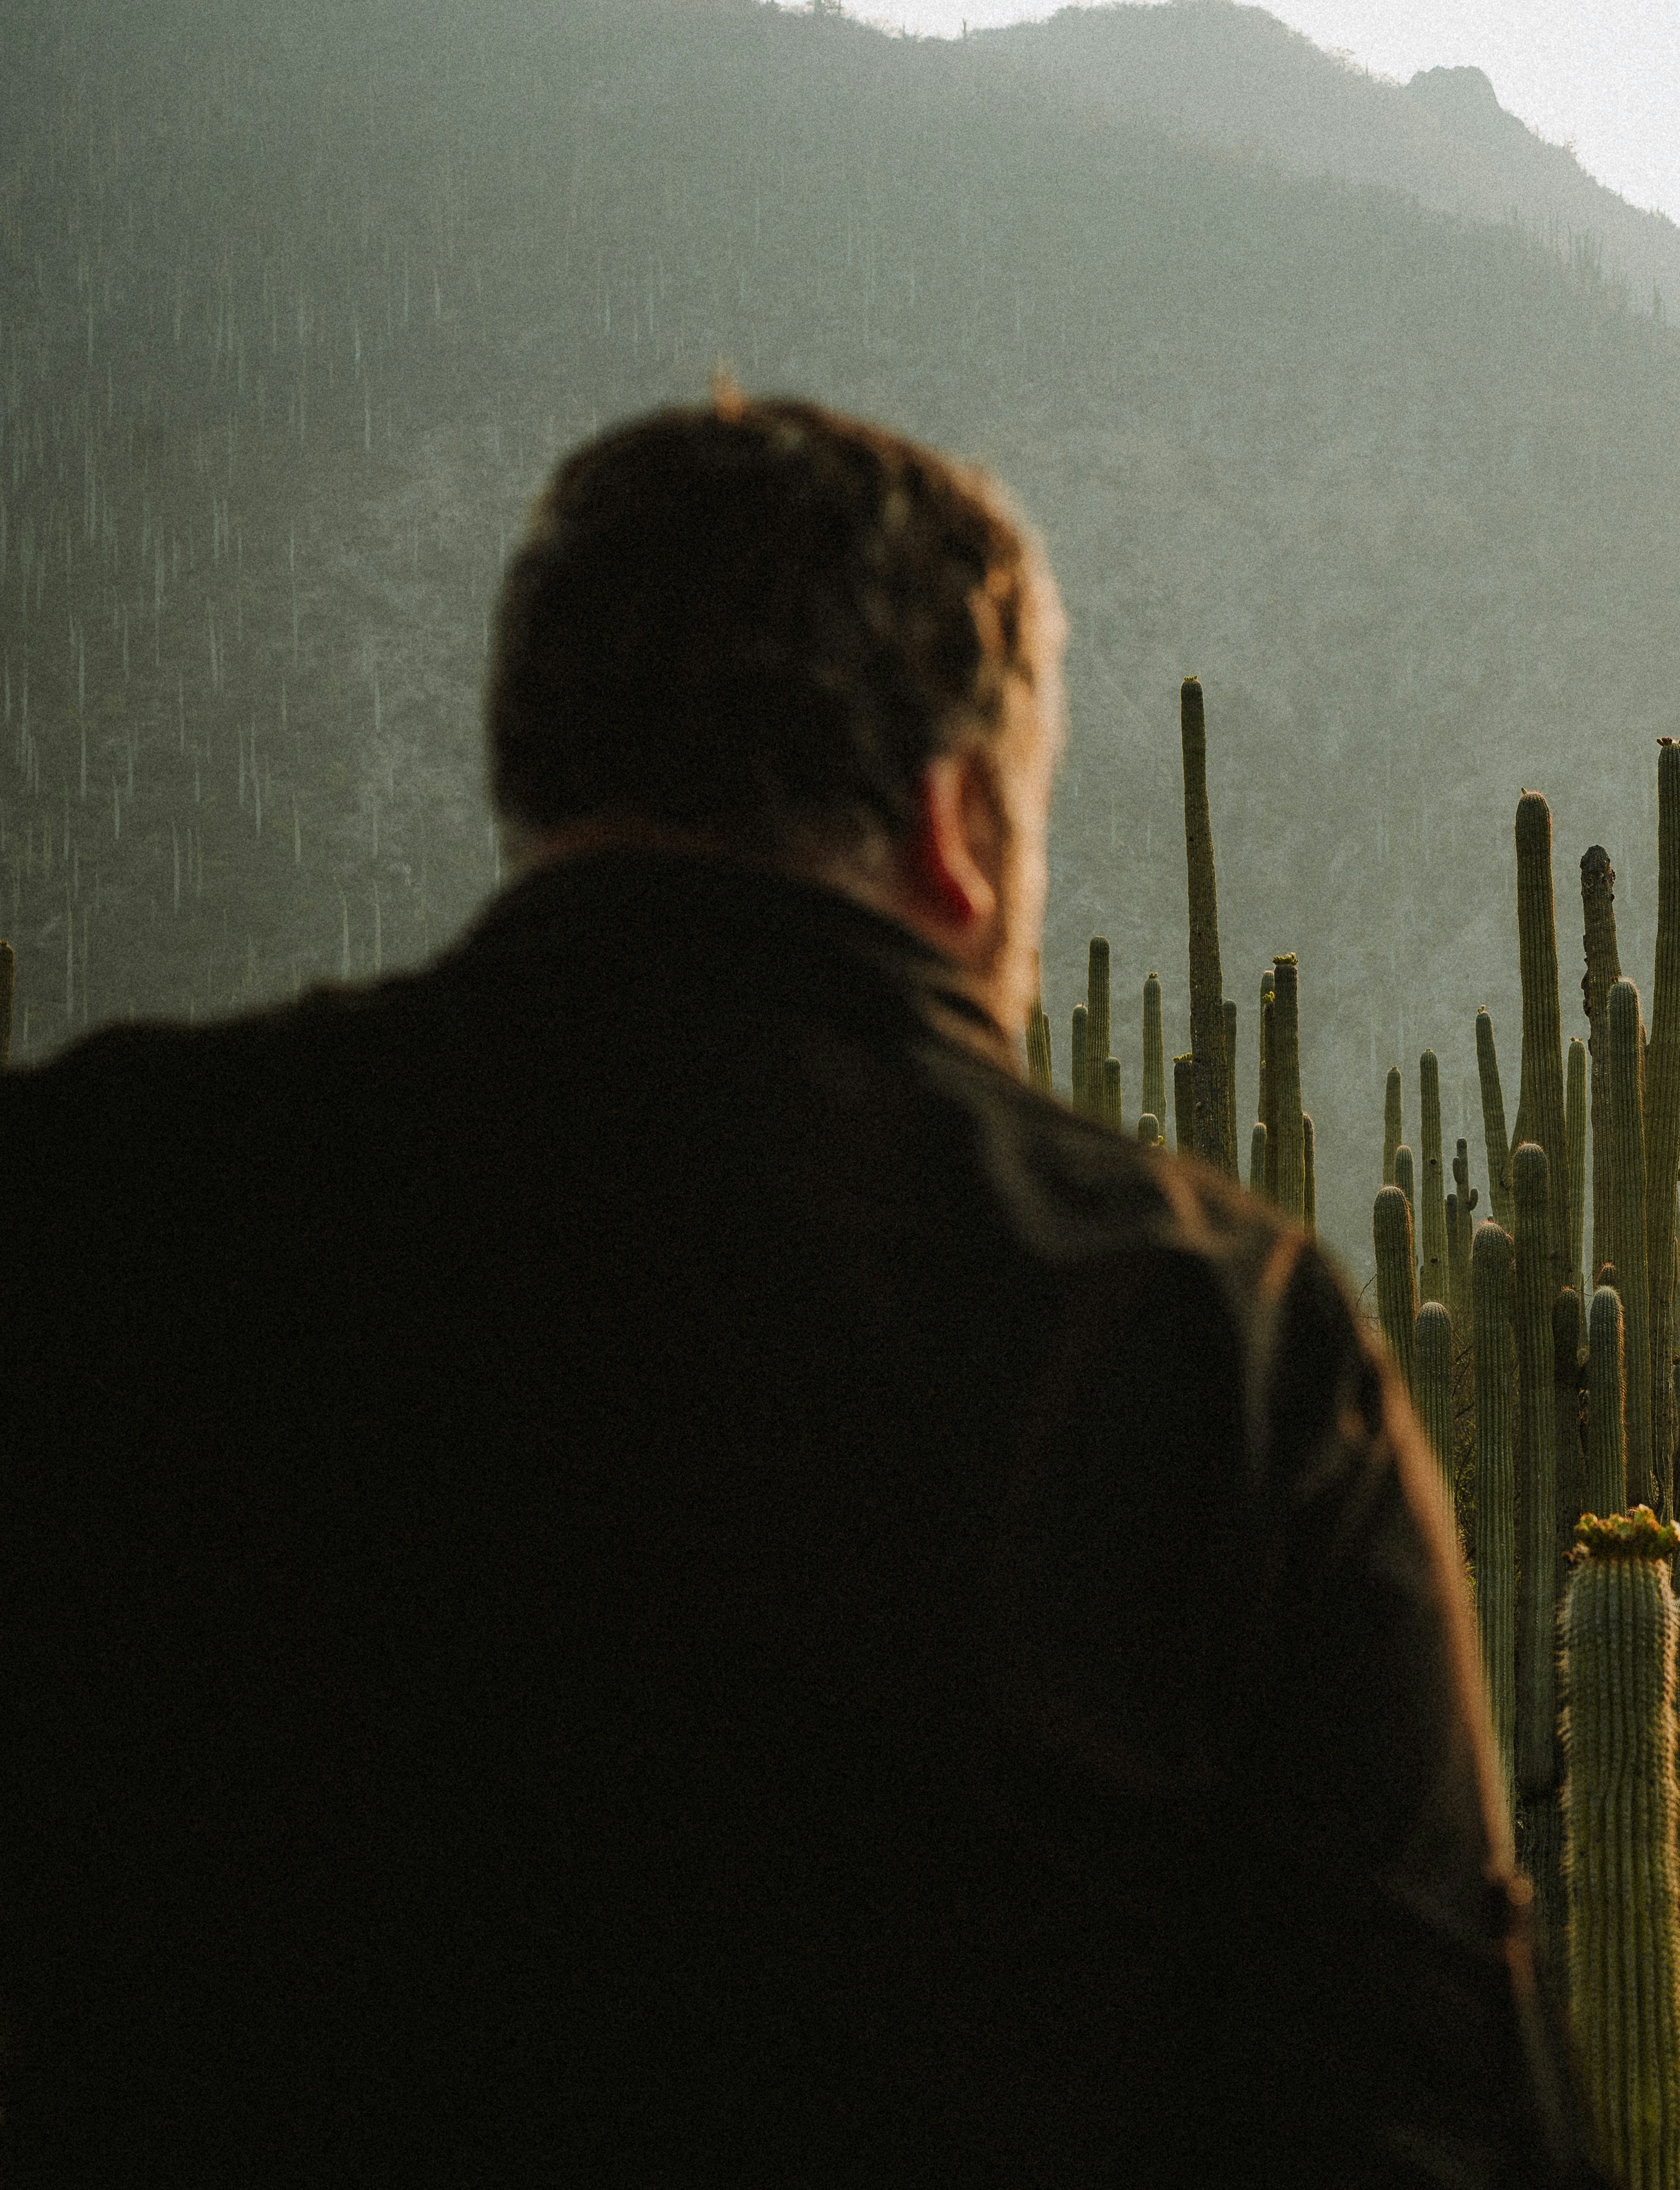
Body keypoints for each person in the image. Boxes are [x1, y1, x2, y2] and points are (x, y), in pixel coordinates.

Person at [0, 396, 1594, 2185]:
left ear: (534, 784)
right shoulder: (1206, 1342)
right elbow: (1432, 2124)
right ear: (957, 826)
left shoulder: (92, 1197)